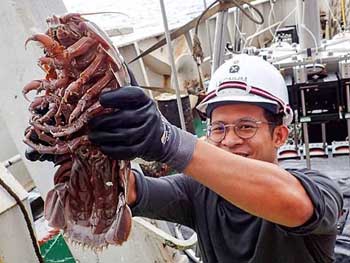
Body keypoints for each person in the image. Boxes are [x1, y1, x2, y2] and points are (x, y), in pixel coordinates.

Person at [29, 54, 343, 262]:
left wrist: (169, 140)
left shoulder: (320, 189)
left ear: (279, 136)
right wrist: (78, 143)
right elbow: (131, 189)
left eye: (246, 127)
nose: (230, 140)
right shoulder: (197, 192)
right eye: (219, 128)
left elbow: (293, 203)